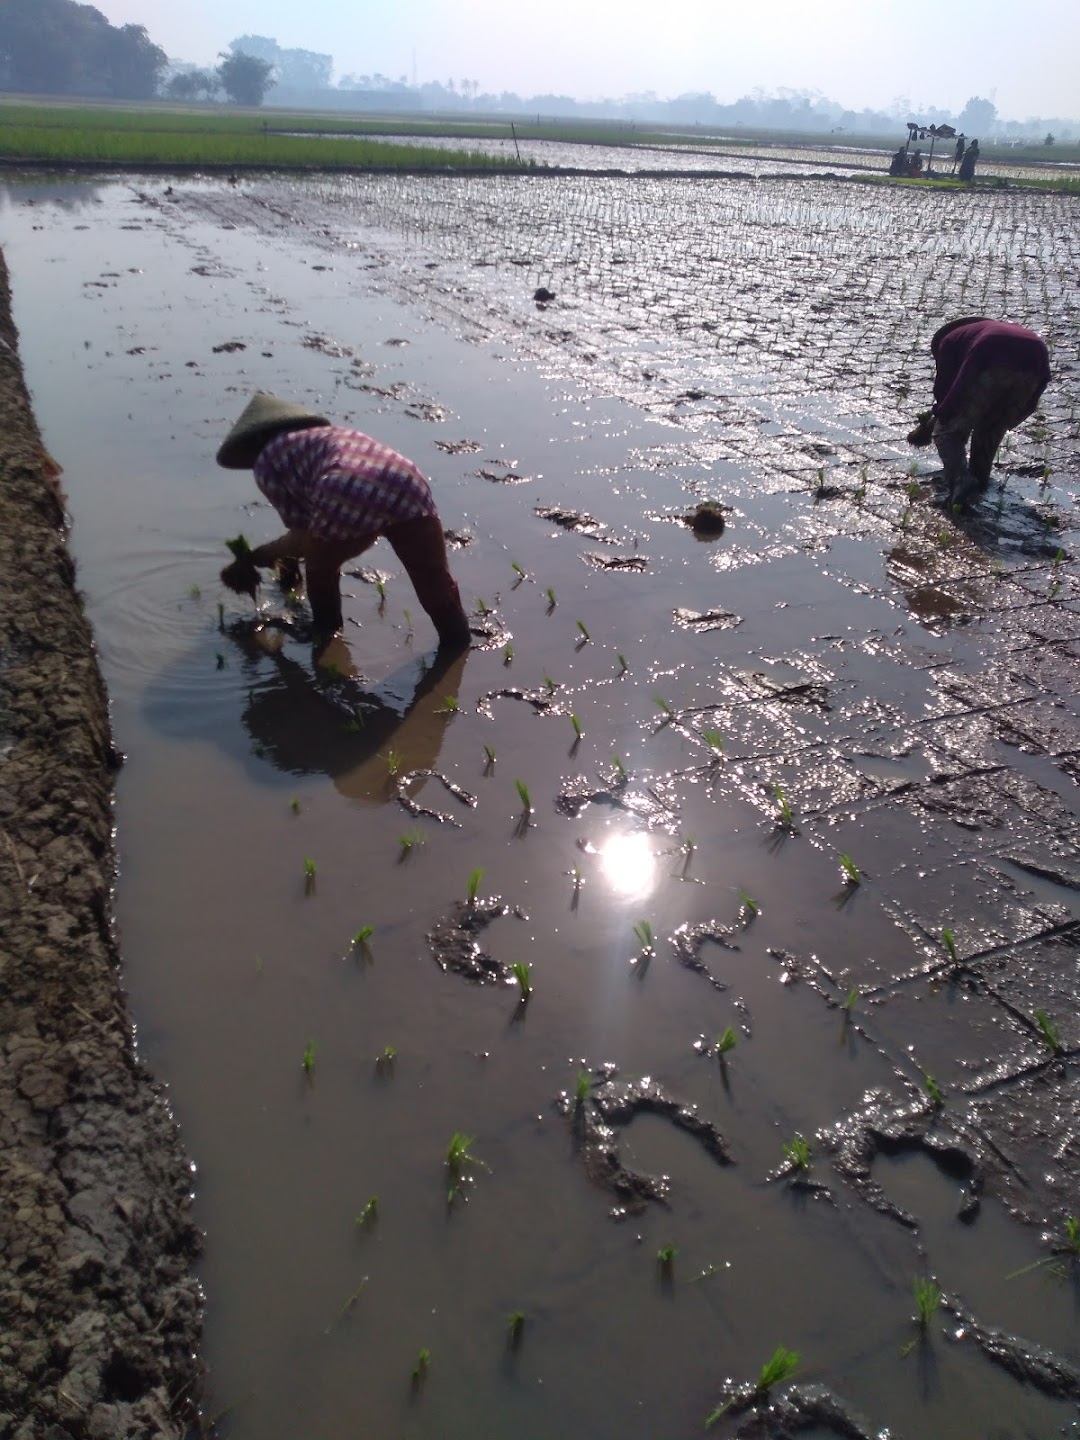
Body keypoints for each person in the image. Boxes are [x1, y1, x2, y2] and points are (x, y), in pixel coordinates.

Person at [216, 393, 471, 653]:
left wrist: (255, 557)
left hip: (342, 486)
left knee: (320, 570)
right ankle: (457, 643)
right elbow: (309, 536)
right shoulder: (327, 437)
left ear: (255, 441)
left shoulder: (268, 462)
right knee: (433, 579)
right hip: (405, 477)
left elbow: (301, 539)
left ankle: (326, 639)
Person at [906, 317, 1051, 506]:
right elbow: (1042, 380)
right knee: (991, 427)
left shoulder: (949, 342)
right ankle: (979, 480)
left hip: (993, 360)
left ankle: (961, 480)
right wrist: (1019, 414)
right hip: (1036, 359)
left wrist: (941, 416)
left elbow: (945, 390)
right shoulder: (988, 331)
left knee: (946, 432)